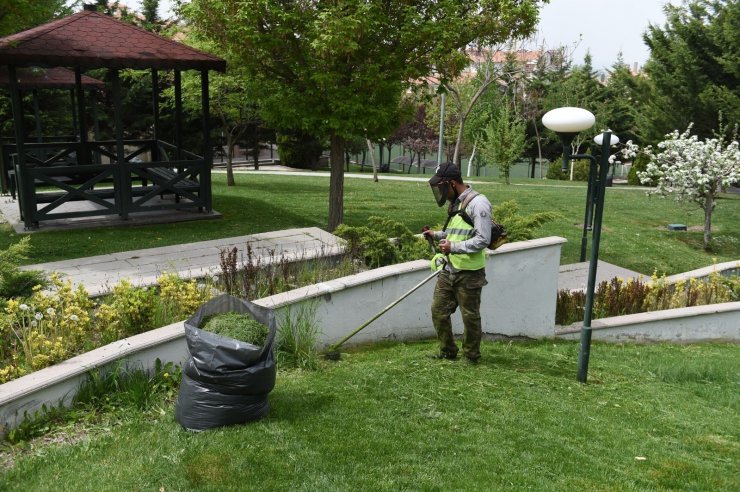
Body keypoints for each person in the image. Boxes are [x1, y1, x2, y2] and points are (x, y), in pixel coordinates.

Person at [424, 163, 492, 363]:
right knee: (438, 311)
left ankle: (471, 356)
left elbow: (483, 239)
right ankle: (448, 351)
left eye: (442, 187)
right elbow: (455, 232)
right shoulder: (456, 203)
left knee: (470, 317)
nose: (441, 192)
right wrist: (435, 235)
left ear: (452, 183)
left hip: (470, 273)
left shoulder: (478, 204)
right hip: (449, 269)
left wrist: (453, 247)